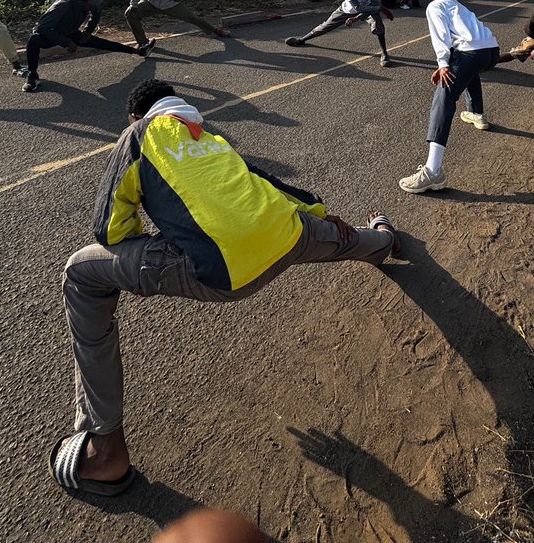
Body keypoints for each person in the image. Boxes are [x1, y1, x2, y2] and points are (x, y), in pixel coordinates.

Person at [48, 79, 399, 497]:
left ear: (135, 116)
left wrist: (141, 259)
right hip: (286, 234)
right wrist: (322, 211)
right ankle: (384, 239)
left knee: (81, 273)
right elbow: (264, 180)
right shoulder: (212, 138)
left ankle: (105, 450)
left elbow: (111, 229)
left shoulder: (139, 135)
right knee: (348, 239)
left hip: (222, 268)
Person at [399, 0, 499, 194]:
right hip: (491, 51)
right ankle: (477, 113)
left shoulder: (435, 6)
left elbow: (441, 36)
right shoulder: (459, 6)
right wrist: (447, 64)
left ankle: (433, 172)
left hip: (471, 53)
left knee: (443, 96)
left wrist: (443, 64)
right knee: (470, 73)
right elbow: (464, 42)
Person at [23, 0, 154, 92]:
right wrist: (66, 42)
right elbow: (42, 28)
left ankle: (139, 51)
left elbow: (96, 13)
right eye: (91, 4)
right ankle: (32, 76)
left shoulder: (89, 4)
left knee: (100, 42)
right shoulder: (62, 6)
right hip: (49, 35)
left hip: (69, 32)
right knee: (33, 40)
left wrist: (88, 30)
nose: (93, 6)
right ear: (80, 3)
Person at [285, 0, 395, 66]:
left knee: (378, 23)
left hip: (369, 8)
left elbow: (374, 4)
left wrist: (357, 18)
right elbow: (358, 8)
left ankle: (384, 54)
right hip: (348, 9)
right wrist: (382, 9)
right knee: (326, 25)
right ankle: (301, 40)